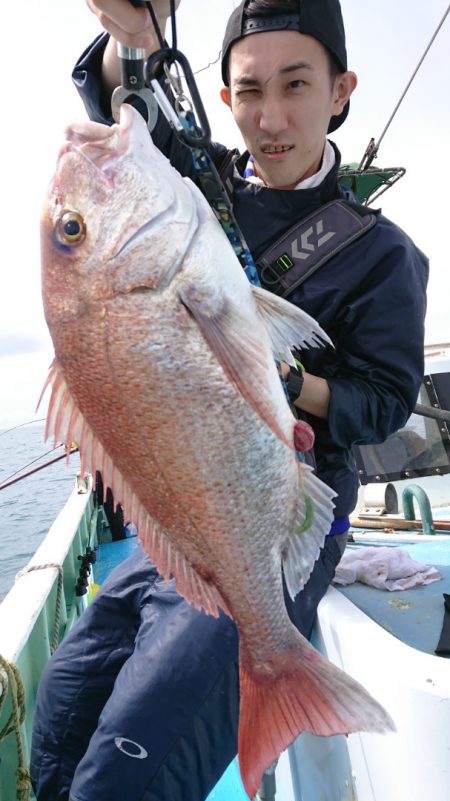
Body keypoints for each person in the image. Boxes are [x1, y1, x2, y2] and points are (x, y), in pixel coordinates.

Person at [30, 2, 428, 800]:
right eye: (249, 90)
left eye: (295, 85)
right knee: (57, 726)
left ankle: (276, 667)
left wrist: (289, 384)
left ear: (340, 91)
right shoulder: (197, 188)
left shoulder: (384, 255)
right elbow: (125, 94)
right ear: (223, 98)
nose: (270, 118)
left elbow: (384, 401)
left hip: (274, 524)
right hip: (180, 527)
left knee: (119, 780)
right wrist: (133, 38)